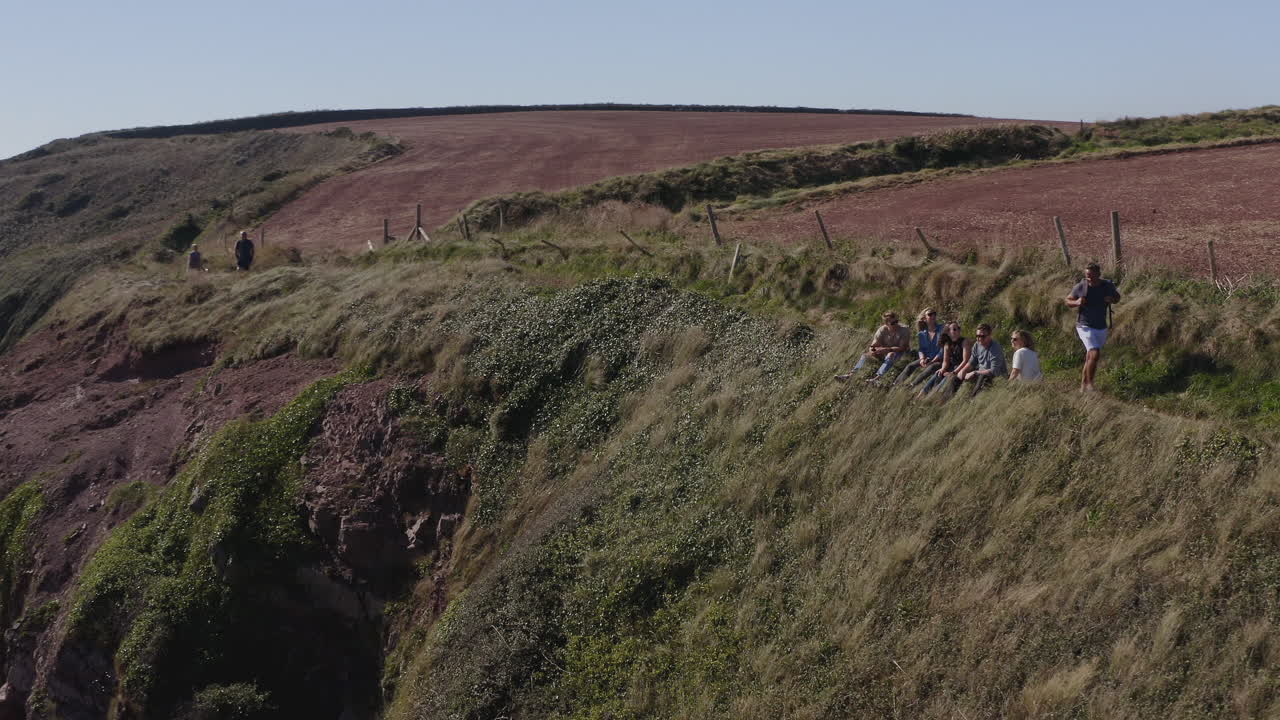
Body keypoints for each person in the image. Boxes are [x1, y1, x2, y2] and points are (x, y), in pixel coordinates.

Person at [1065, 263, 1120, 392]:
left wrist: (1111, 299)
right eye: (1086, 274)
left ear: (1098, 274)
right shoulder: (1081, 286)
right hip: (1084, 326)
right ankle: (1090, 385)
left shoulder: (1107, 286)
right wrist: (1076, 302)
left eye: (1090, 275)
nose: (1088, 277)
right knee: (1095, 353)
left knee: (1090, 357)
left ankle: (1083, 386)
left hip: (1101, 327)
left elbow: (1117, 298)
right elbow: (1068, 300)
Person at [835, 311, 912, 382]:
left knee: (890, 354)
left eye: (896, 321)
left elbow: (903, 347)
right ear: (886, 324)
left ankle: (877, 378)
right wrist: (874, 351)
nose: (896, 324)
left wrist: (887, 349)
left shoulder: (904, 330)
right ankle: (850, 375)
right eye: (893, 323)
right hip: (885, 352)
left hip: (901, 353)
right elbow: (873, 346)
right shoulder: (882, 330)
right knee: (865, 355)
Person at [893, 308, 944, 387]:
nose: (933, 316)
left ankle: (912, 385)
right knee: (910, 366)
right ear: (924, 319)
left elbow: (944, 348)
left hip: (941, 359)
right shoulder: (922, 334)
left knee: (931, 367)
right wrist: (922, 359)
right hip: (928, 358)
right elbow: (921, 349)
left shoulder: (942, 328)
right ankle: (896, 385)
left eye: (934, 313)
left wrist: (934, 360)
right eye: (930, 314)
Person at [919, 321, 969, 398]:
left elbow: (965, 360)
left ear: (959, 330)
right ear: (948, 333)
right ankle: (921, 395)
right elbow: (946, 361)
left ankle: (933, 395)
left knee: (947, 377)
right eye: (952, 330)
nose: (955, 331)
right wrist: (942, 369)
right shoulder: (947, 344)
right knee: (938, 374)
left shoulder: (964, 342)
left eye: (956, 329)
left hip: (960, 368)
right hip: (951, 367)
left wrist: (954, 372)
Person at [960, 323, 1007, 396]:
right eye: (978, 336)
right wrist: (963, 371)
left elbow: (994, 371)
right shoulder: (977, 344)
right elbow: (972, 361)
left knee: (983, 377)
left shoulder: (995, 347)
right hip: (981, 372)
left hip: (996, 377)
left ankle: (972, 399)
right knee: (956, 377)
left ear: (989, 335)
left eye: (982, 336)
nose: (979, 339)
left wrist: (975, 373)